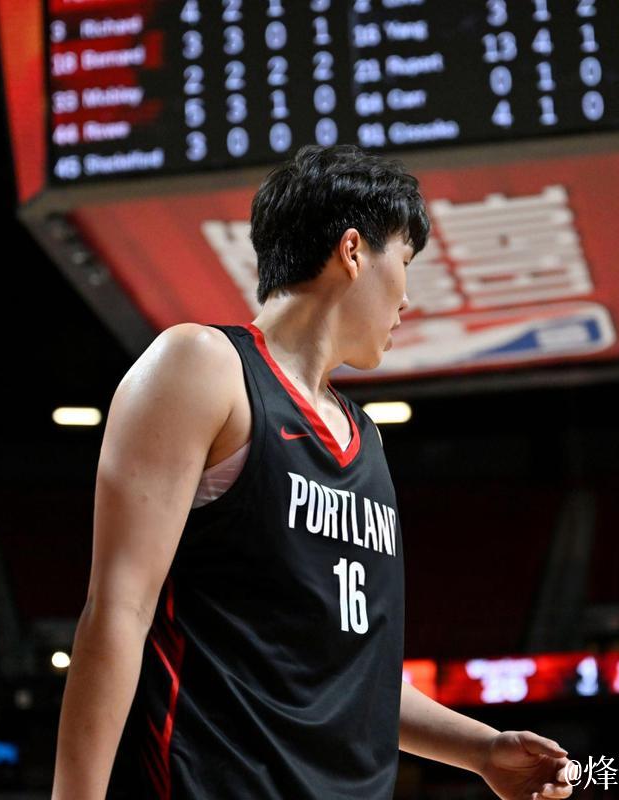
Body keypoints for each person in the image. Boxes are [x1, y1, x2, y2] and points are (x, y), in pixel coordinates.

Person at [51, 144, 576, 799]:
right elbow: (119, 610)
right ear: (353, 251)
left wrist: (480, 750)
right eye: (405, 262)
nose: (408, 298)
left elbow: (353, 675)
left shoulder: (366, 439)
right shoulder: (203, 365)